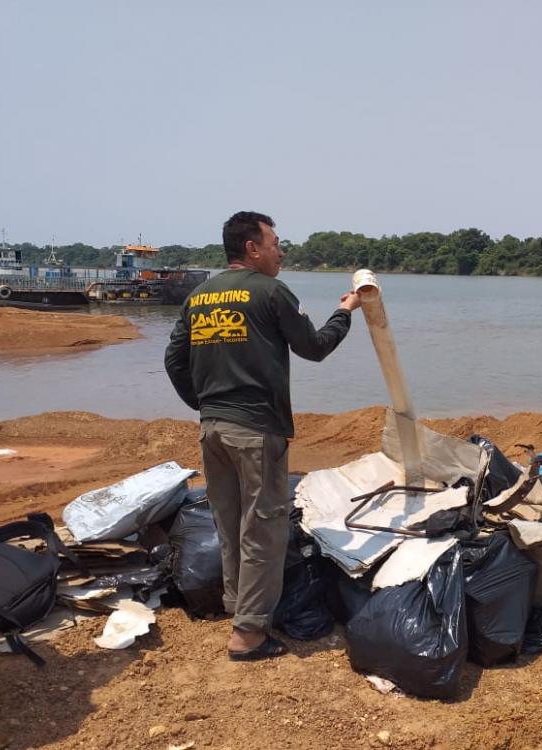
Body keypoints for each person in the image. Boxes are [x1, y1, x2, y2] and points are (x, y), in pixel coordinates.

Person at [165, 211, 361, 661]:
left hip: (213, 432)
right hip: (256, 431)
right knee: (264, 531)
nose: (281, 251)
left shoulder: (199, 295)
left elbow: (174, 360)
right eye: (275, 243)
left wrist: (205, 406)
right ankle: (248, 635)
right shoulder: (271, 292)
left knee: (230, 524)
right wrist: (344, 312)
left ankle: (237, 607)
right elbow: (314, 347)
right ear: (252, 248)